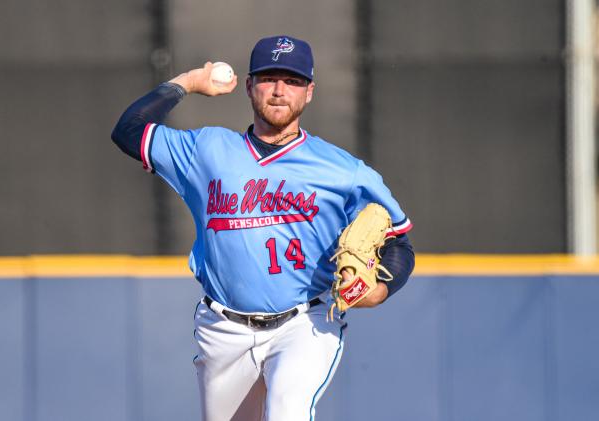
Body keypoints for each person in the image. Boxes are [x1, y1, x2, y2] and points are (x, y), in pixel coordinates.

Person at [112, 35, 415, 421]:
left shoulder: (344, 171)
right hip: (222, 329)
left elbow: (399, 242)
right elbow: (127, 130)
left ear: (309, 92)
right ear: (249, 86)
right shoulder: (206, 151)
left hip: (304, 323)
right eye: (269, 78)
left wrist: (381, 290)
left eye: (292, 80)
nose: (279, 90)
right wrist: (187, 82)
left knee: (287, 411)